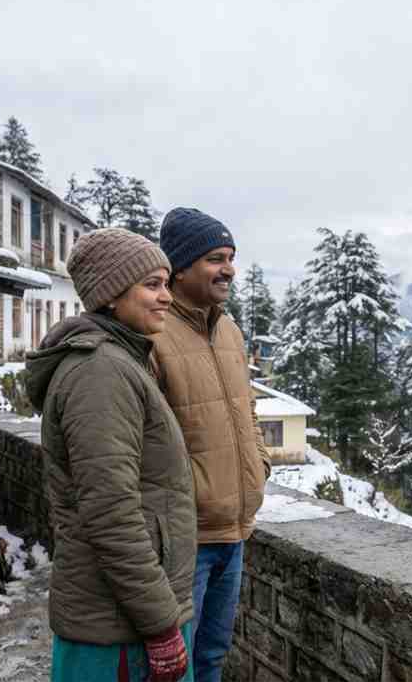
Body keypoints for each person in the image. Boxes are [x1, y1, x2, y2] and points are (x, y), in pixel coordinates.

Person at [25, 228, 196, 682]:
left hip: (123, 618)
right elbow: (110, 512)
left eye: (166, 283)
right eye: (152, 285)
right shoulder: (101, 371)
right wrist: (161, 626)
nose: (166, 298)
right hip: (119, 631)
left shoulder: (118, 361)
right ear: (111, 296)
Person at [150, 207, 271, 682]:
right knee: (174, 667)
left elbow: (248, 411)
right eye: (215, 258)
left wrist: (259, 464)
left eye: (232, 257)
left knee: (213, 656)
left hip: (236, 533)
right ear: (179, 268)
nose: (229, 269)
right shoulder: (154, 336)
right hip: (187, 539)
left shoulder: (229, 330)